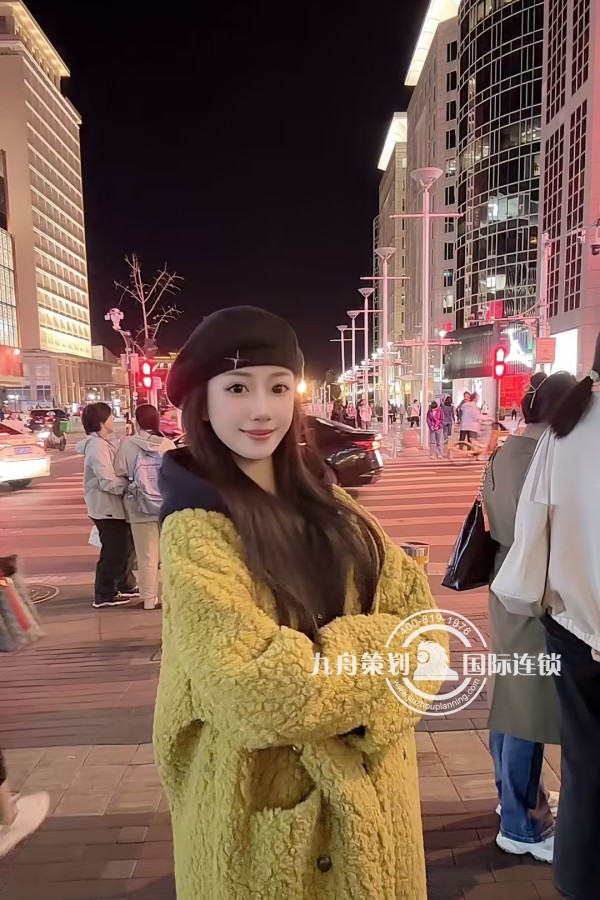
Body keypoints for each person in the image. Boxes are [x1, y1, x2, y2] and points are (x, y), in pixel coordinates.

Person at [154, 305, 445, 900]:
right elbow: (260, 692)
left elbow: (429, 641)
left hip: (378, 813)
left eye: (279, 387)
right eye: (238, 388)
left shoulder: (332, 503)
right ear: (202, 403)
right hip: (265, 833)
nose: (262, 409)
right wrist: (378, 655)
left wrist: (324, 666)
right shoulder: (196, 530)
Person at [499, 334, 600, 898]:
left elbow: (528, 533)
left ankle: (577, 877)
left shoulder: (566, 432)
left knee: (585, 769)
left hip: (573, 629)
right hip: (571, 625)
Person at [483, 371, 576, 865]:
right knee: (527, 709)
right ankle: (521, 825)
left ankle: (514, 799)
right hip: (532, 590)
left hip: (505, 584)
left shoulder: (505, 449)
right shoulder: (549, 458)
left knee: (511, 697)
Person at [77, 403, 138, 609]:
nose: (113, 420)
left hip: (111, 506)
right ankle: (104, 594)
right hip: (105, 507)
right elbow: (107, 480)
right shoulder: (97, 447)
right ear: (101, 422)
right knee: (113, 551)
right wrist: (130, 485)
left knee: (125, 547)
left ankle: (123, 584)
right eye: (110, 417)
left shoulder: (105, 443)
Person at [114, 405, 175, 610]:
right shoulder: (167, 444)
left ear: (137, 421)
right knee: (167, 554)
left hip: (139, 506)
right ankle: (169, 597)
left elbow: (120, 471)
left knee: (146, 554)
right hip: (166, 505)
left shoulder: (128, 444)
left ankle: (149, 599)